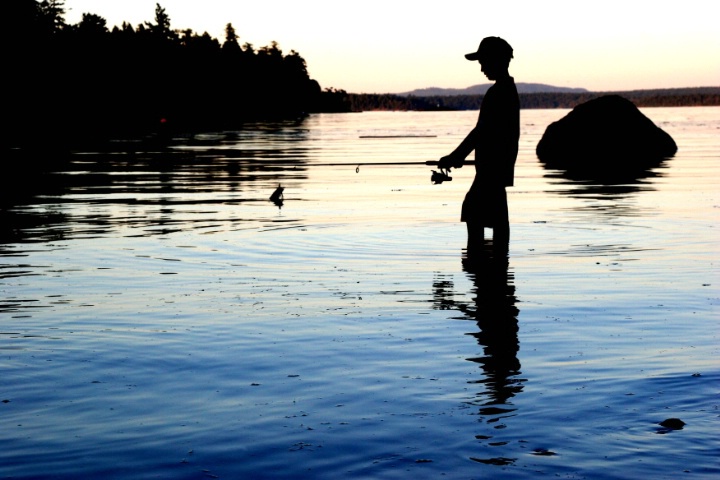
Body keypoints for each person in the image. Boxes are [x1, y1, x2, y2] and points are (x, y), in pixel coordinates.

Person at [438, 37, 520, 255]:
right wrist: (459, 157)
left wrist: (456, 156)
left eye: (484, 61)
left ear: (497, 60)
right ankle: (496, 271)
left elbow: (481, 131)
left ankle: (482, 268)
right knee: (495, 218)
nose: (482, 68)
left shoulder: (499, 92)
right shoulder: (507, 90)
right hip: (494, 170)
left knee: (474, 212)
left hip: (491, 171)